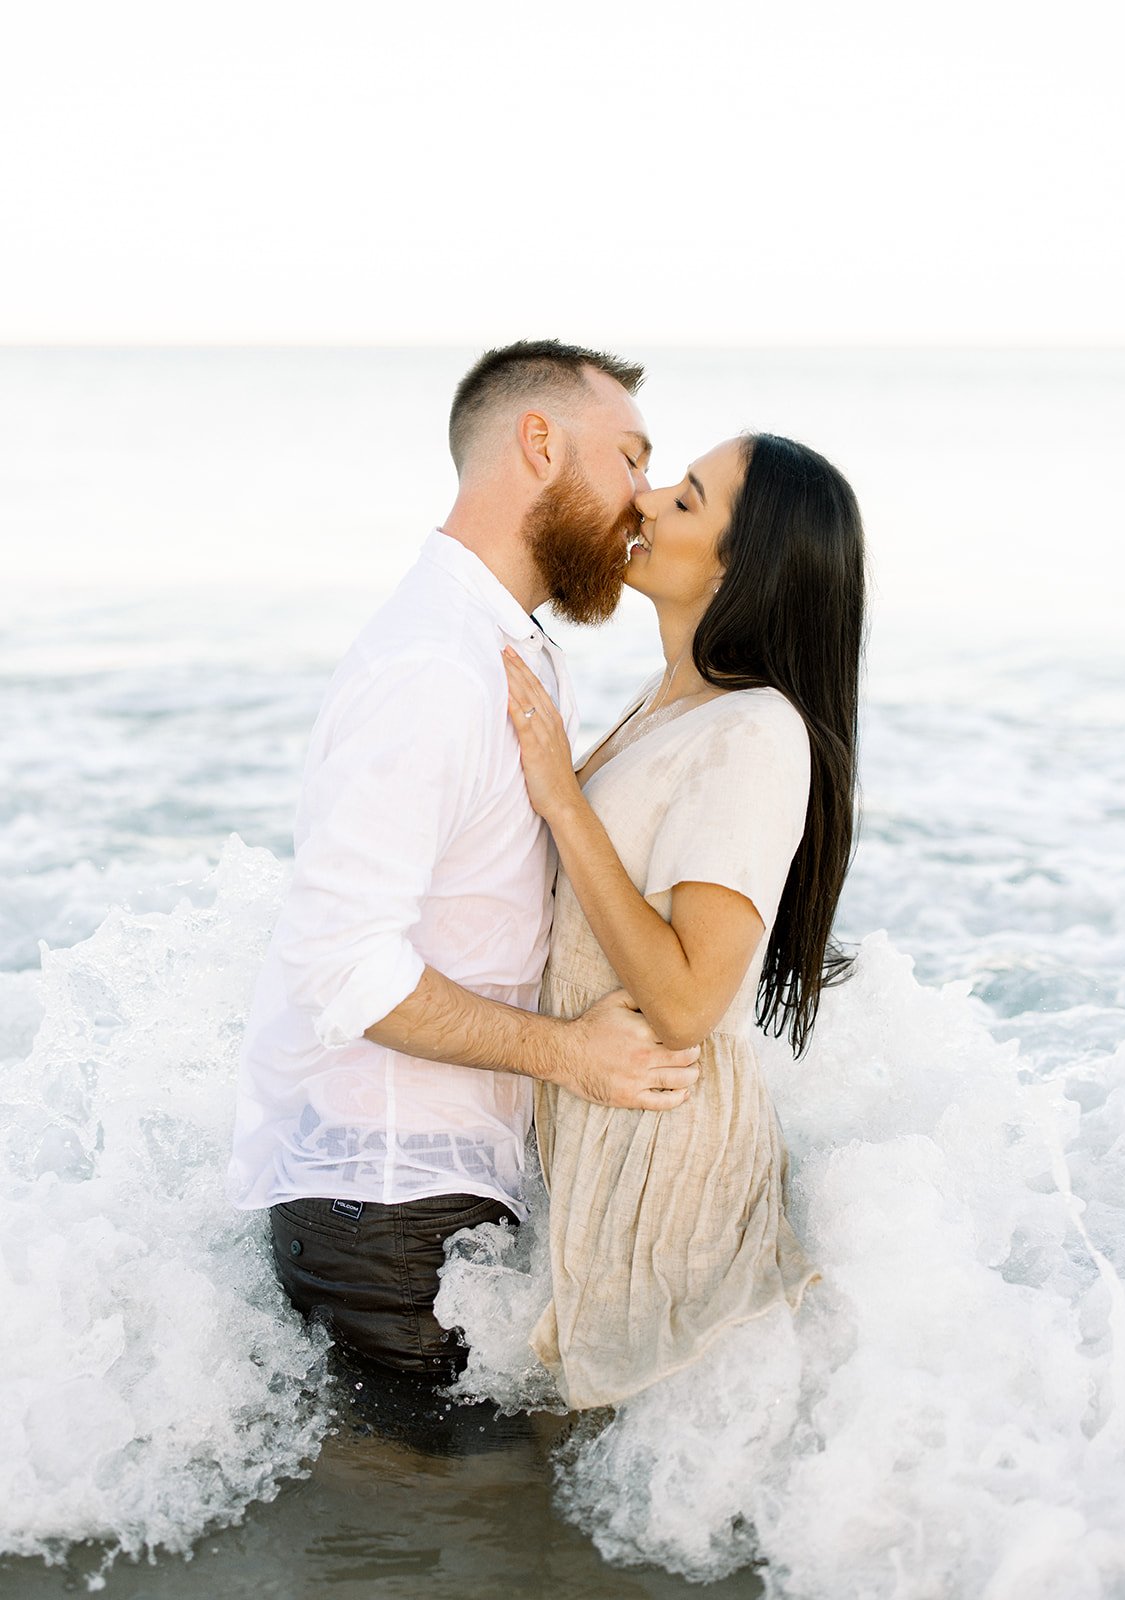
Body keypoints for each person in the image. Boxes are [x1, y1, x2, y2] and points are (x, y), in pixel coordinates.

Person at [227, 340, 701, 1380]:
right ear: (538, 442)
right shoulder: (431, 666)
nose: (644, 495)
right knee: (425, 1532)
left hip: (433, 1194)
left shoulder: (508, 645)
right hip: (384, 1211)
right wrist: (572, 1053)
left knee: (463, 1530)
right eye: (629, 457)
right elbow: (343, 966)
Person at [501, 431, 865, 1409]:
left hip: (664, 1151)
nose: (648, 499)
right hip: (603, 1113)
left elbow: (688, 998)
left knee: (622, 1502)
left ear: (741, 566)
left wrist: (560, 797)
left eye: (687, 499)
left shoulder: (755, 732)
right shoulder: (674, 703)